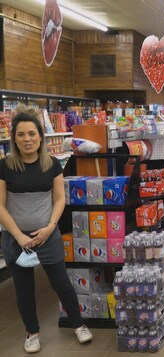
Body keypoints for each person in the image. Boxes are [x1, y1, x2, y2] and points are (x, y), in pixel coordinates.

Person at [0, 108, 93, 354]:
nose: (27, 139)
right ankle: (32, 333)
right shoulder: (4, 166)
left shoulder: (51, 164)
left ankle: (78, 324)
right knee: (24, 288)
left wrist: (49, 227)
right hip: (15, 238)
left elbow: (59, 199)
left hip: (47, 235)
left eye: (32, 133)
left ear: (40, 137)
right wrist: (18, 235)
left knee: (61, 283)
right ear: (14, 138)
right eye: (21, 135)